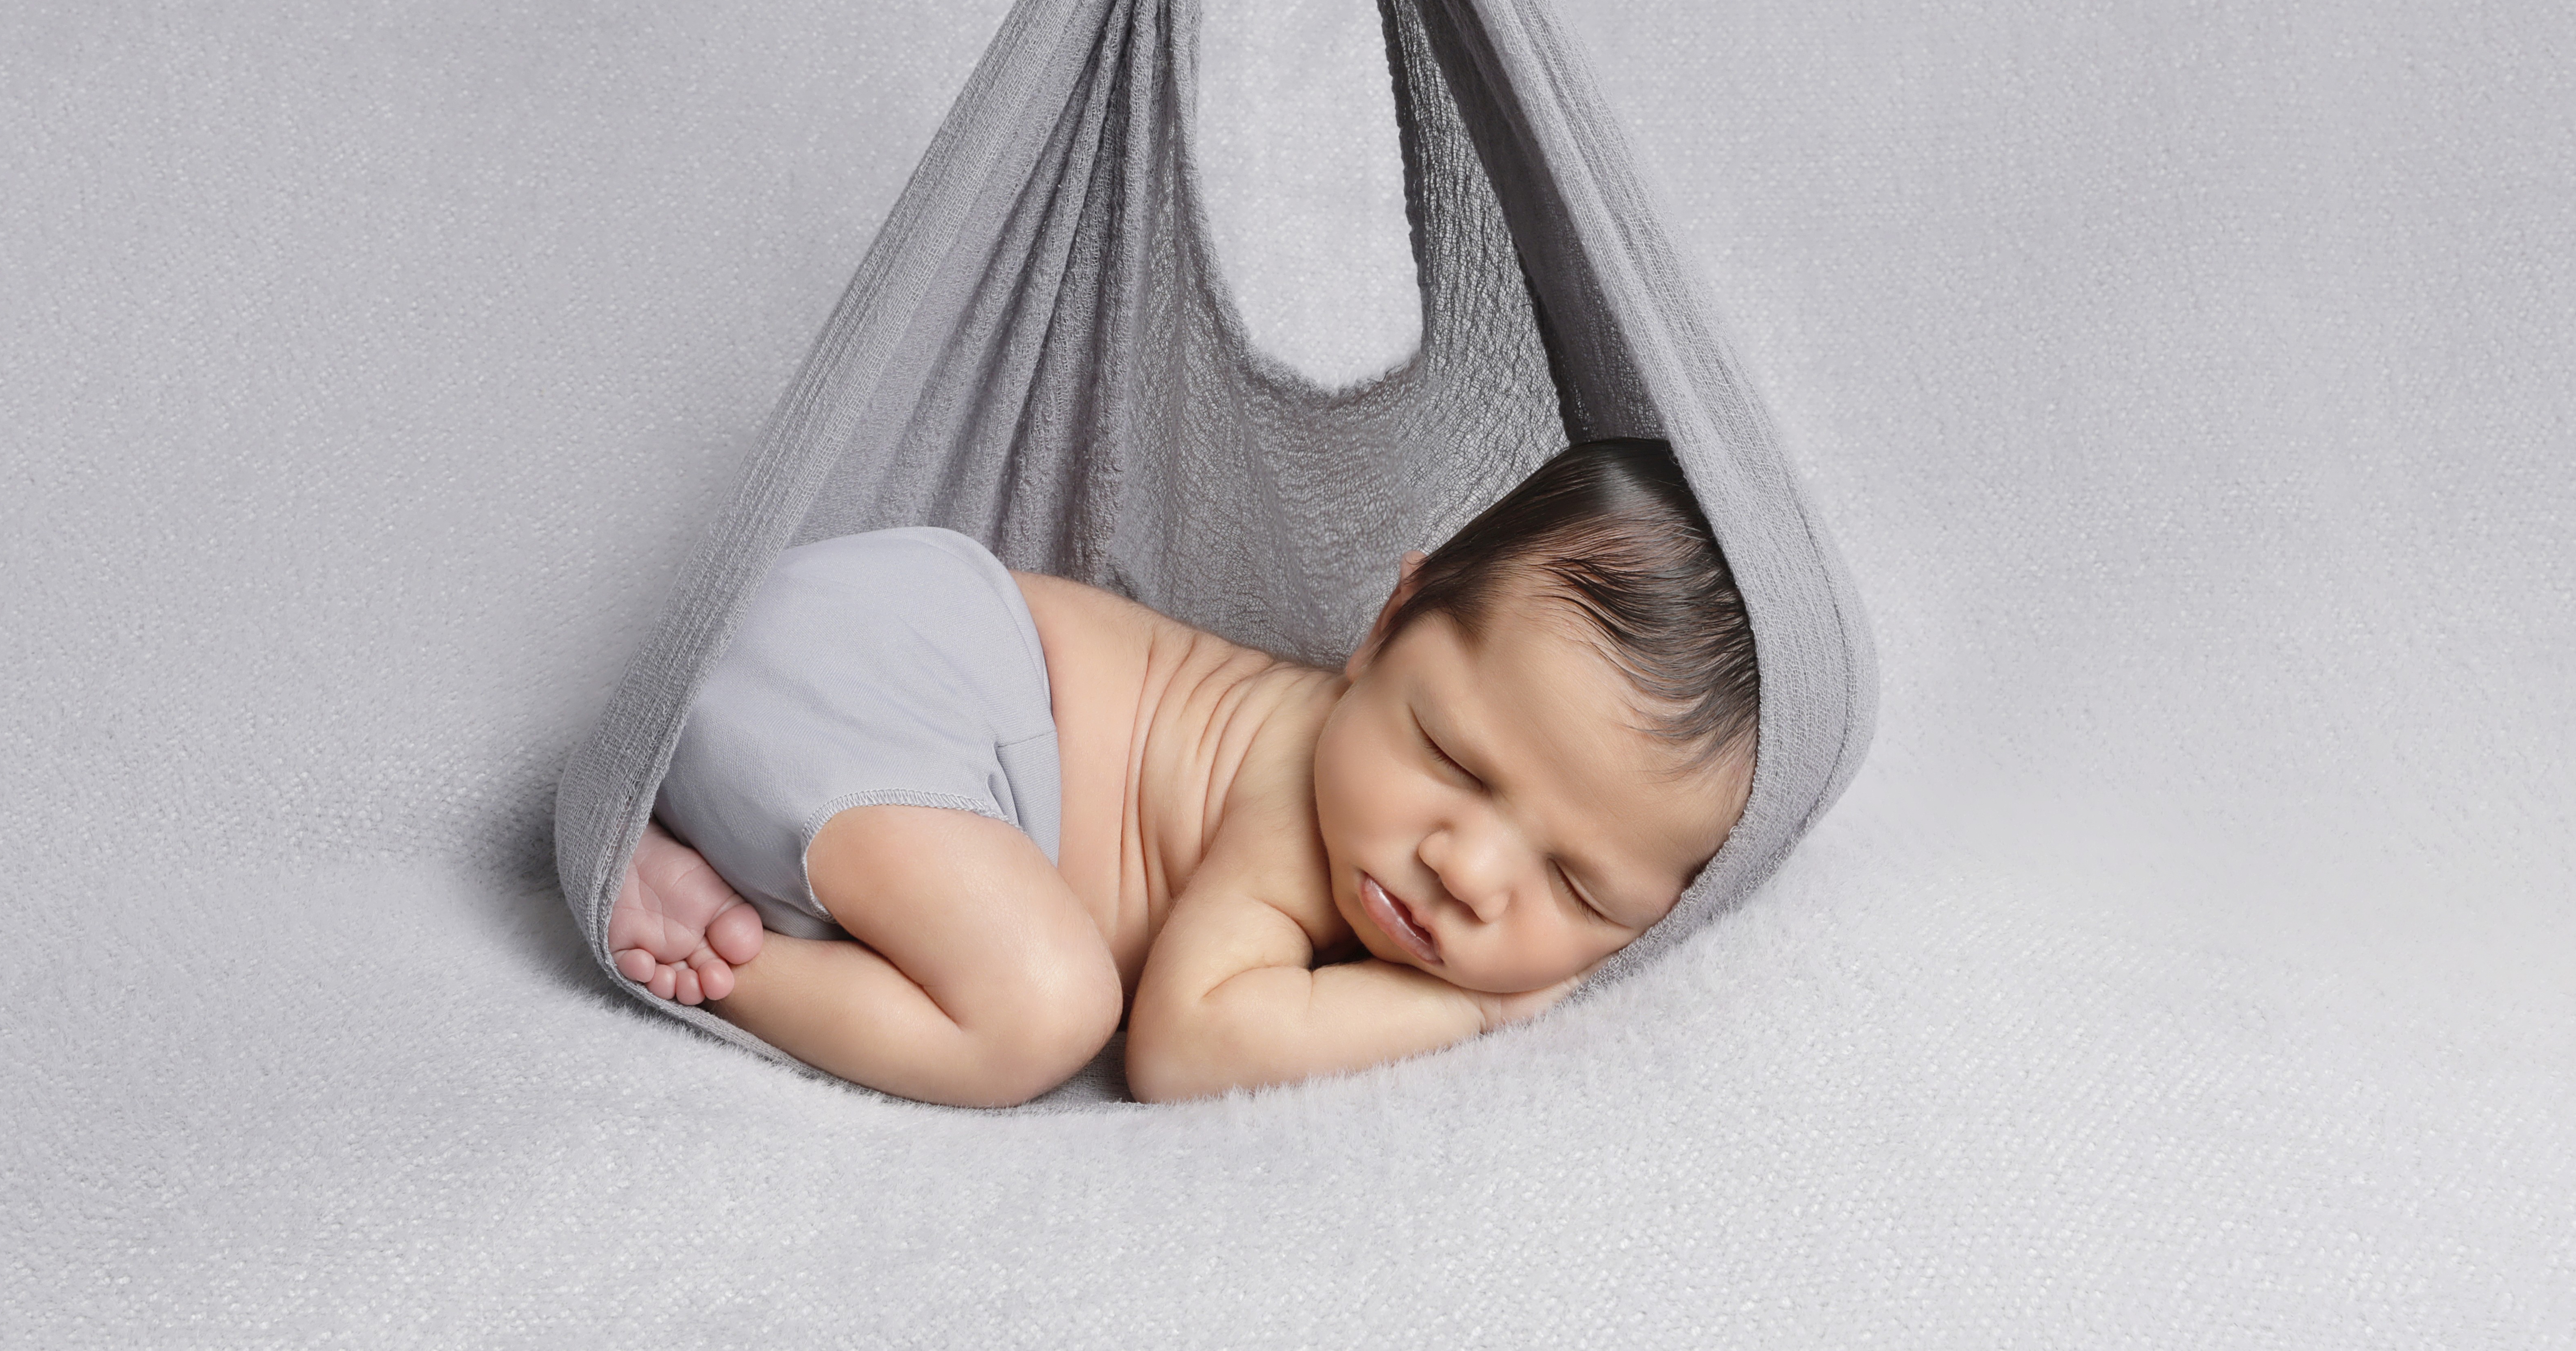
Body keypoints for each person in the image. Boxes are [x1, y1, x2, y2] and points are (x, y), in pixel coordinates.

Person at [605, 438, 1759, 1107]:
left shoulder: (1390, 819)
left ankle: (716, 875)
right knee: (1042, 1011)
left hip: (870, 726)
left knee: (1000, 970)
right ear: (1384, 626)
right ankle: (677, 938)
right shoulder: (1297, 794)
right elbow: (1187, 1047)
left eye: (1581, 890)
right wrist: (1481, 1008)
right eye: (1450, 758)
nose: (1468, 868)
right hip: (890, 667)